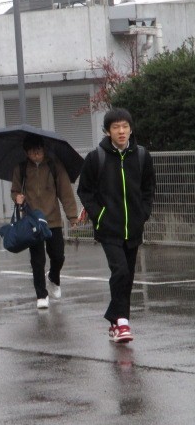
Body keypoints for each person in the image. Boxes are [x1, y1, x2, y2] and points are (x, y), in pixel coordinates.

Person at [77, 107, 156, 343]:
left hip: (133, 227)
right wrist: (99, 215)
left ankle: (115, 321)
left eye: (125, 127)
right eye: (116, 127)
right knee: (120, 270)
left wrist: (143, 214)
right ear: (107, 131)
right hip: (108, 229)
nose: (121, 131)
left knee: (127, 276)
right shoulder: (96, 158)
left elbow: (148, 189)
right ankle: (122, 323)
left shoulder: (141, 156)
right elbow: (85, 191)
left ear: (131, 129)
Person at [11, 134, 79, 309]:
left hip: (53, 219)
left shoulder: (54, 166)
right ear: (26, 153)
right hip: (32, 221)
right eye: (32, 152)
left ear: (44, 149)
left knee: (58, 255)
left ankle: (53, 277)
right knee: (37, 260)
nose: (36, 154)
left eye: (39, 151)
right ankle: (41, 294)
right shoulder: (21, 169)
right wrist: (17, 197)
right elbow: (15, 190)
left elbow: (65, 192)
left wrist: (72, 216)